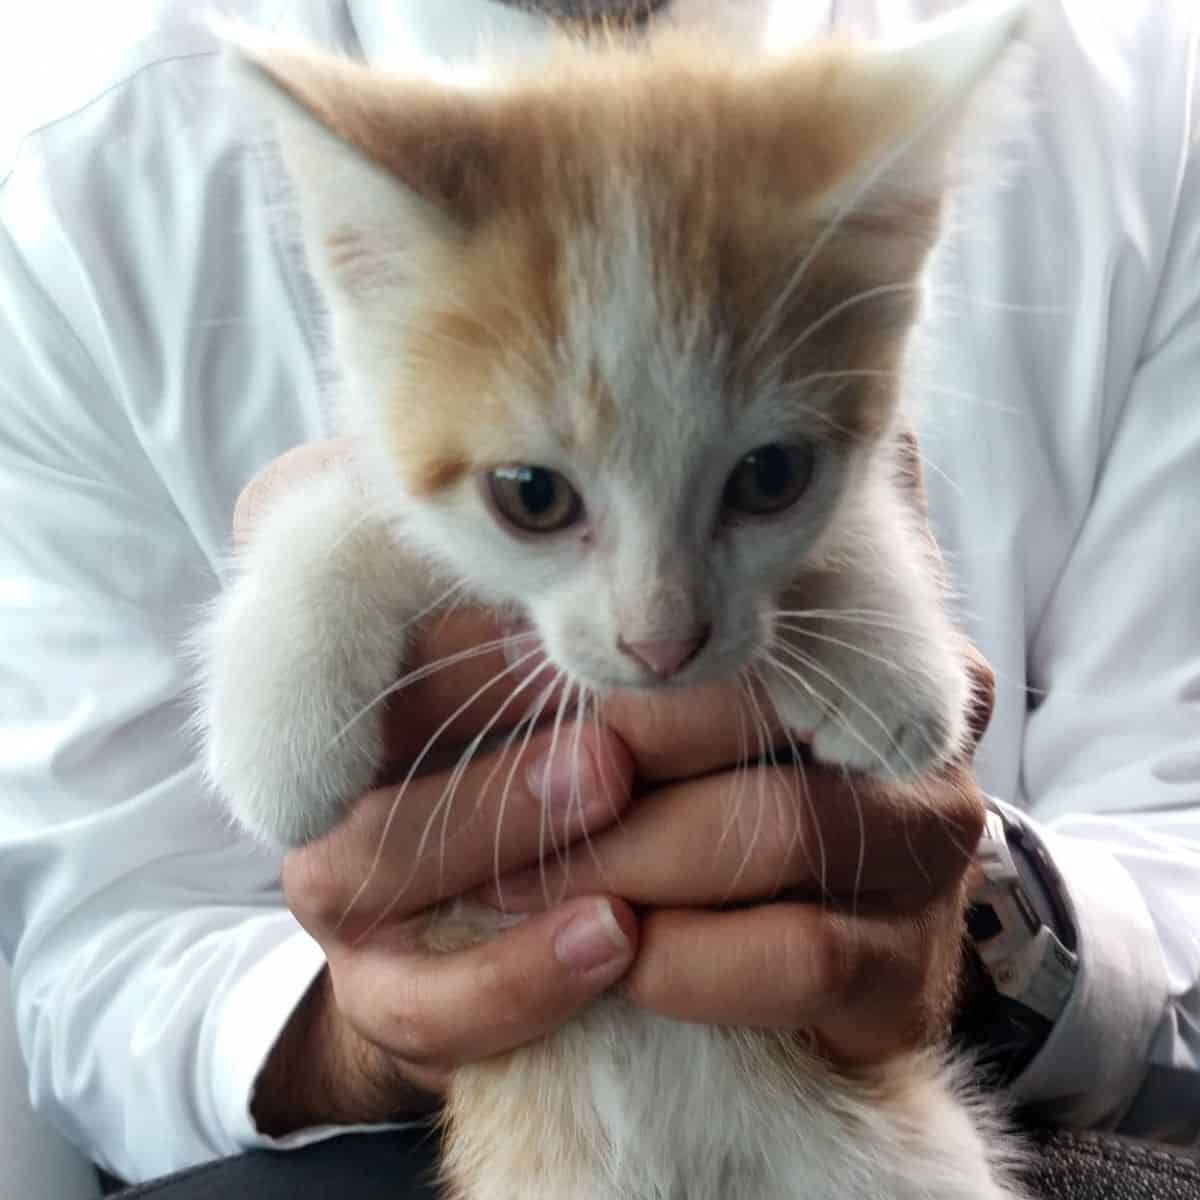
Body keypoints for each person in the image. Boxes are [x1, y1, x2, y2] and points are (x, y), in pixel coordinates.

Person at [0, 0, 1197, 1191]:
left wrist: (989, 908)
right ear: (350, 258)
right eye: (533, 496)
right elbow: (97, 960)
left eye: (767, 475)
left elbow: (1153, 827)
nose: (658, 631)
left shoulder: (1143, 94)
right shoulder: (84, 171)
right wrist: (378, 1019)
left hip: (876, 1117)